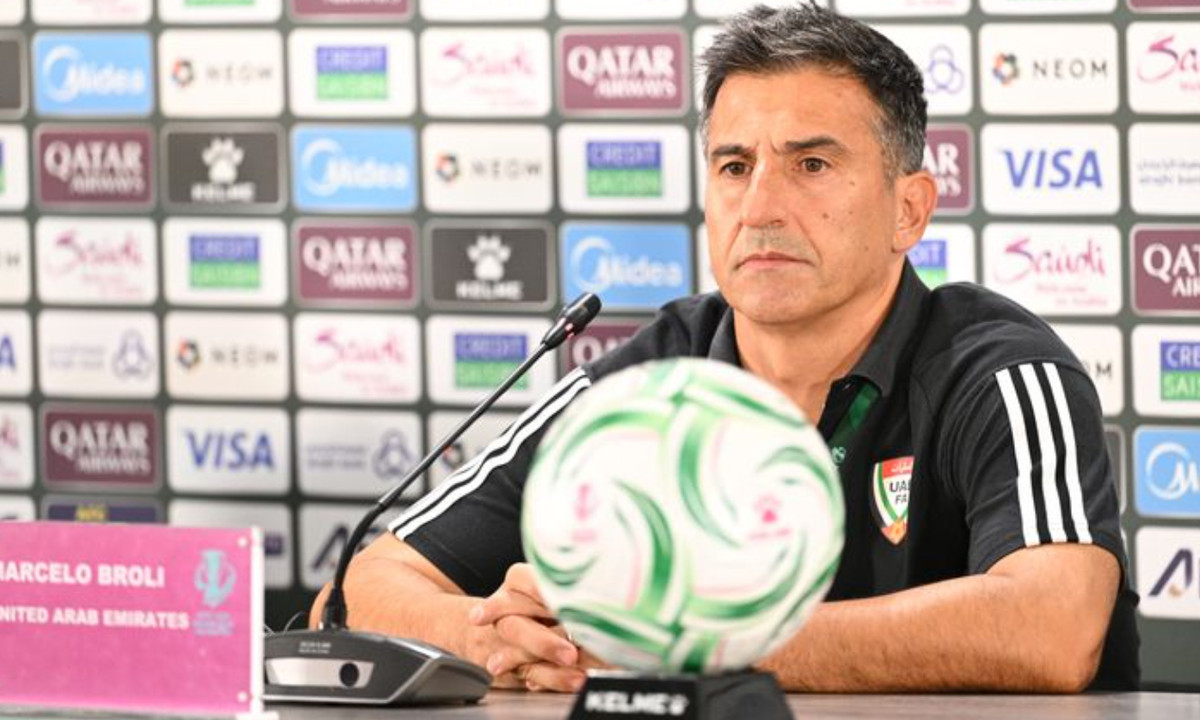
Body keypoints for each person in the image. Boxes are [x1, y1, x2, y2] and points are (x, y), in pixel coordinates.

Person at [311, 3, 1139, 693]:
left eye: (812, 164)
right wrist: (491, 635)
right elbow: (353, 594)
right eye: (735, 167)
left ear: (909, 210)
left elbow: (1054, 626)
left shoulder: (1000, 371)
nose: (761, 206)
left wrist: (672, 647)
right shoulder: (650, 378)